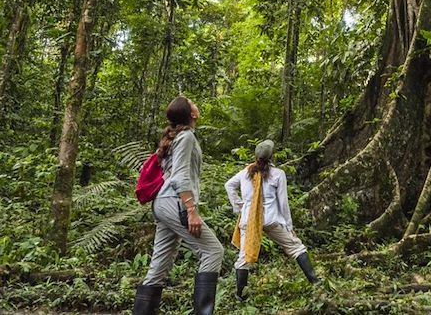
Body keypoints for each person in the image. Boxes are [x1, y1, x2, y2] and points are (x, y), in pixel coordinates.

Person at [133, 97, 224, 315]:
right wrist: (191, 210)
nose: (196, 104)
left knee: (159, 265)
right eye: (193, 103)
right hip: (175, 203)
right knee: (213, 251)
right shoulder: (187, 137)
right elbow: (180, 176)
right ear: (191, 114)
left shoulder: (177, 138)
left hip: (163, 204)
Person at [224, 140, 320, 300]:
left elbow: (228, 185)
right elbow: (283, 202)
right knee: (296, 247)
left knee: (243, 257)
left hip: (249, 220)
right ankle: (315, 283)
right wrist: (289, 224)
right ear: (272, 156)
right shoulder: (278, 174)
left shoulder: (245, 172)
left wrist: (238, 205)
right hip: (271, 219)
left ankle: (240, 296)